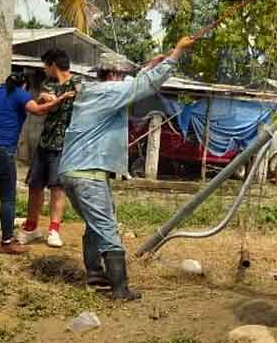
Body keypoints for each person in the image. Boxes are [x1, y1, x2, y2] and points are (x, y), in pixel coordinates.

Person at [59, 36, 196, 300]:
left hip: (75, 171)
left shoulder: (96, 91)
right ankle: (120, 288)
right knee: (107, 226)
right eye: (123, 75)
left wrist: (154, 63)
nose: (125, 79)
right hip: (89, 173)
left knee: (95, 222)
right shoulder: (109, 92)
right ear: (112, 74)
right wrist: (177, 52)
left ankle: (95, 273)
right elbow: (146, 84)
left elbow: (136, 81)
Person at [0, 72, 69, 254]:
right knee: (7, 197)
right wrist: (61, 98)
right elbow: (38, 111)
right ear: (23, 84)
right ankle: (7, 240)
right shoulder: (20, 93)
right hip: (1, 150)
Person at [18, 48, 82, 248]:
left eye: (46, 66)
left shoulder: (78, 84)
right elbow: (47, 106)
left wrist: (53, 101)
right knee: (35, 185)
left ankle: (53, 229)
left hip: (64, 144)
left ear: (53, 64)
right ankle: (31, 227)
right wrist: (48, 100)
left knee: (57, 187)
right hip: (45, 142)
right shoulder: (49, 84)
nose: (45, 70)